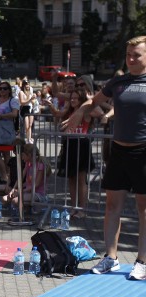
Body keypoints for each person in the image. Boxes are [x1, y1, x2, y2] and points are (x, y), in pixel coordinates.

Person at [62, 36, 146, 279]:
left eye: (137, 55)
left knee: (143, 208)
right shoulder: (117, 82)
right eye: (128, 54)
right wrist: (80, 110)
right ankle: (111, 257)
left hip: (143, 151)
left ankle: (142, 260)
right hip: (119, 151)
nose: (131, 59)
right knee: (111, 206)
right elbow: (93, 101)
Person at [48, 89, 103, 217]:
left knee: (81, 179)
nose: (72, 100)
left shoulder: (87, 111)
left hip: (82, 145)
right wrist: (51, 107)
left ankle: (82, 209)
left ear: (81, 100)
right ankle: (74, 207)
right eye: (71, 98)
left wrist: (89, 100)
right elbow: (58, 116)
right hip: (69, 145)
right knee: (71, 179)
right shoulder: (69, 112)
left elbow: (99, 112)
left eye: (76, 98)